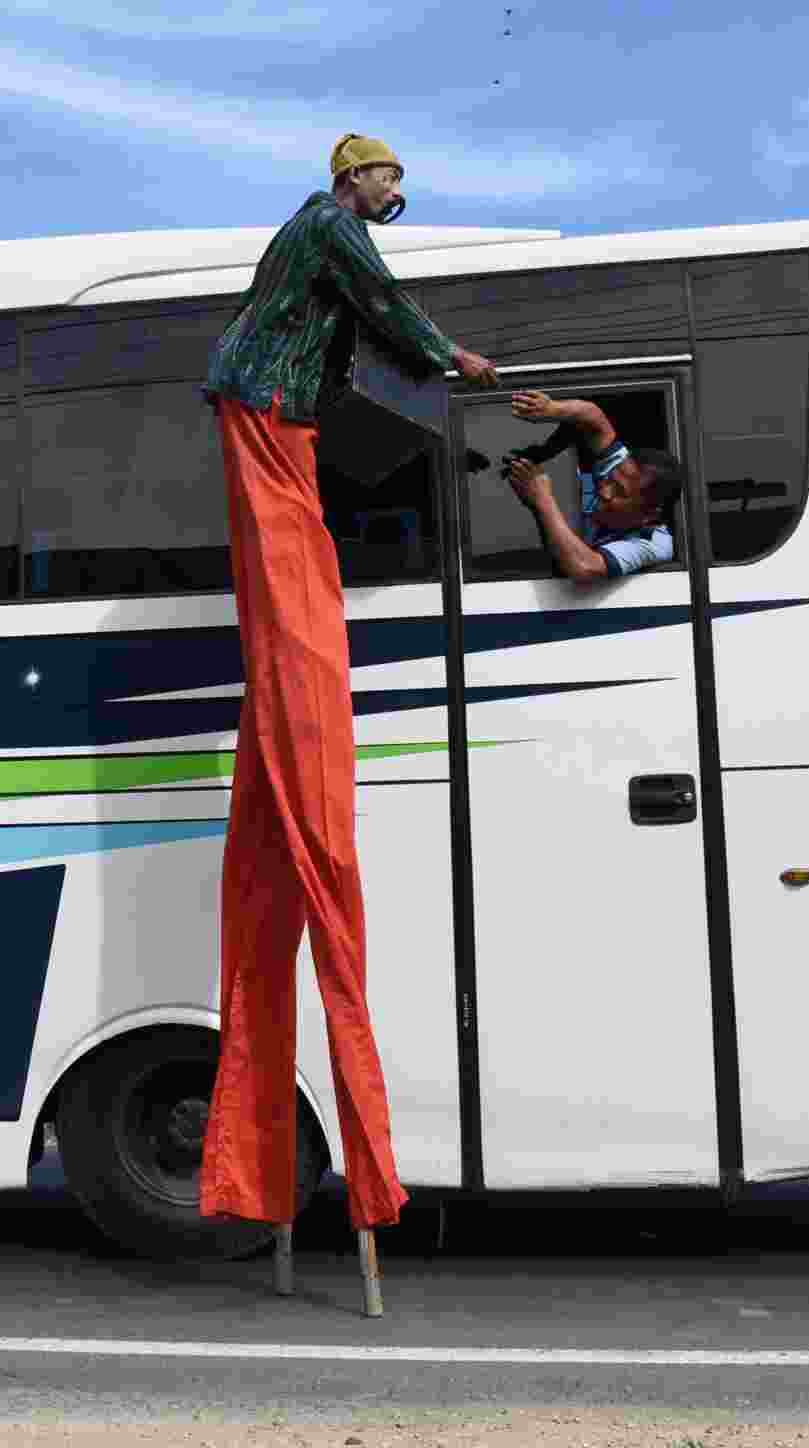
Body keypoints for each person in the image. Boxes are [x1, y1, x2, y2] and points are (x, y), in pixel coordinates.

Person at [198, 133, 497, 1243]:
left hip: (281, 408)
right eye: (386, 181)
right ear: (350, 178)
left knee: (300, 558)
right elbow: (383, 303)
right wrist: (453, 357)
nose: (395, 196)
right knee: (288, 572)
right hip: (266, 404)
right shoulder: (330, 229)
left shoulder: (328, 230)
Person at [502, 391, 683, 581]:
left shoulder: (653, 543)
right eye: (609, 479)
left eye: (619, 492)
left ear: (649, 514)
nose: (603, 491)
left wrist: (542, 499)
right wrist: (552, 410)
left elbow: (583, 566)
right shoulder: (623, 469)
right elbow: (593, 418)